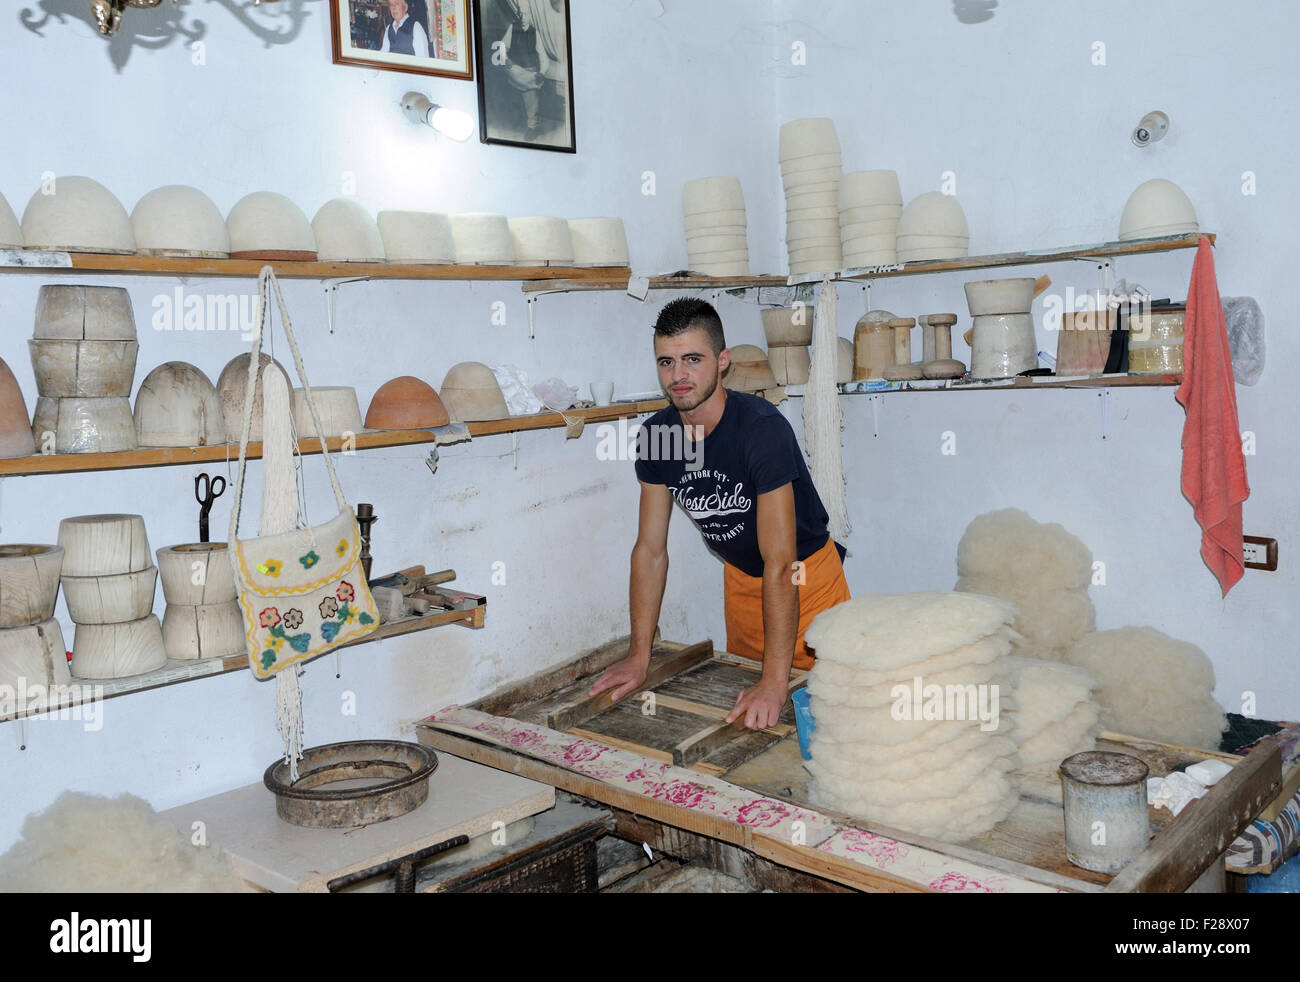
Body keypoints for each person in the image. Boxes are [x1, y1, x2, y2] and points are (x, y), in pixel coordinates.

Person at [590, 298, 851, 731]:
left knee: (830, 715)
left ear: (722, 361)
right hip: (745, 584)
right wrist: (640, 656)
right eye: (667, 362)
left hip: (806, 578)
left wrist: (774, 679)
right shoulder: (660, 436)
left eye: (693, 359)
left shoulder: (760, 430)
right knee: (752, 722)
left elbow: (782, 562)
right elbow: (650, 551)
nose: (679, 376)